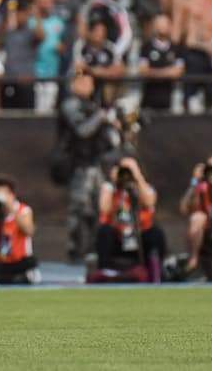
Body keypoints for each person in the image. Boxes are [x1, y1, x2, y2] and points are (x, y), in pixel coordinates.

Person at [59, 69, 117, 261]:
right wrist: (100, 118)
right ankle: (74, 249)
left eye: (89, 82)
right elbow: (82, 131)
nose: (87, 86)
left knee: (98, 207)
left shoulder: (92, 105)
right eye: (82, 82)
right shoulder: (70, 105)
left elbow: (108, 138)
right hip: (79, 164)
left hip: (97, 163)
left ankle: (94, 248)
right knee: (78, 208)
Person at [96, 157, 166, 282]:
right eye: (124, 170)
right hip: (118, 236)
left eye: (130, 170)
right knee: (103, 231)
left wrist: (137, 178)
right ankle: (104, 273)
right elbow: (104, 209)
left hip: (140, 236)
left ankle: (155, 272)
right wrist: (115, 184)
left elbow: (149, 202)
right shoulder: (109, 188)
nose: (126, 174)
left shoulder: (144, 187)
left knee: (156, 233)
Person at [139, 14, 185, 110]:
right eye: (159, 24)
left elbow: (178, 72)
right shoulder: (146, 47)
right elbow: (144, 71)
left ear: (170, 27)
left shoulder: (176, 49)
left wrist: (154, 72)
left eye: (165, 24)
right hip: (149, 99)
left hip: (170, 100)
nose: (162, 27)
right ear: (155, 27)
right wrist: (168, 72)